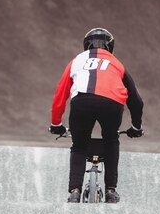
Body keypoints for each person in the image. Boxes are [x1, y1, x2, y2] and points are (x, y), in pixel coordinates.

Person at [49, 28, 144, 203]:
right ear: (110, 46)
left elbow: (60, 94)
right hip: (112, 103)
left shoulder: (77, 60)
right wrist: (136, 127)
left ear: (86, 45)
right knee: (111, 140)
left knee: (79, 145)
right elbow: (136, 101)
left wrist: (56, 123)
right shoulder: (117, 64)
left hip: (82, 101)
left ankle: (75, 191)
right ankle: (110, 190)